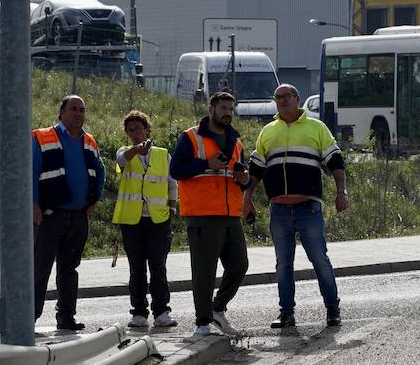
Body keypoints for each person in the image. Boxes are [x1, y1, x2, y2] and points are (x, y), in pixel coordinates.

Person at [245, 83, 348, 330]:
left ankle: (332, 309)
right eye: (277, 97)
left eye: (286, 96)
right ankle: (286, 313)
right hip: (279, 210)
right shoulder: (268, 131)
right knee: (283, 264)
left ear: (297, 98)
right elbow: (256, 169)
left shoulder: (316, 127)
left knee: (319, 260)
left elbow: (335, 161)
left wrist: (341, 191)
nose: (281, 101)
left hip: (308, 208)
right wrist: (246, 199)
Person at [171, 92, 251, 337]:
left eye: (231, 109)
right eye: (223, 108)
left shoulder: (236, 142)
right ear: (211, 109)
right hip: (202, 213)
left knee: (239, 266)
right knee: (204, 272)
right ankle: (202, 323)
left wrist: (244, 179)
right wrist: (206, 163)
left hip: (230, 214)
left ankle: (217, 309)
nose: (228, 113)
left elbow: (239, 177)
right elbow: (175, 170)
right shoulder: (191, 137)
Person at [32, 94, 107, 332]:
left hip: (77, 216)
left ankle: (66, 317)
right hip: (49, 216)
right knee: (39, 268)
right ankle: (28, 318)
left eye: (82, 109)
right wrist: (33, 205)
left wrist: (94, 199)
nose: (78, 113)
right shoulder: (42, 137)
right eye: (74, 109)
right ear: (61, 112)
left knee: (69, 269)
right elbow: (31, 173)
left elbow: (100, 170)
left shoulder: (89, 141)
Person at [113, 110, 179, 330]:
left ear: (147, 129)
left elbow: (172, 182)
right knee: (136, 268)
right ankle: (139, 313)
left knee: (158, 266)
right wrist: (135, 150)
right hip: (132, 220)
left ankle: (162, 311)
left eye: (138, 129)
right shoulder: (125, 152)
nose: (135, 133)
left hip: (158, 219)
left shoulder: (162, 154)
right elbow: (122, 161)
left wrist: (172, 206)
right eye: (130, 130)